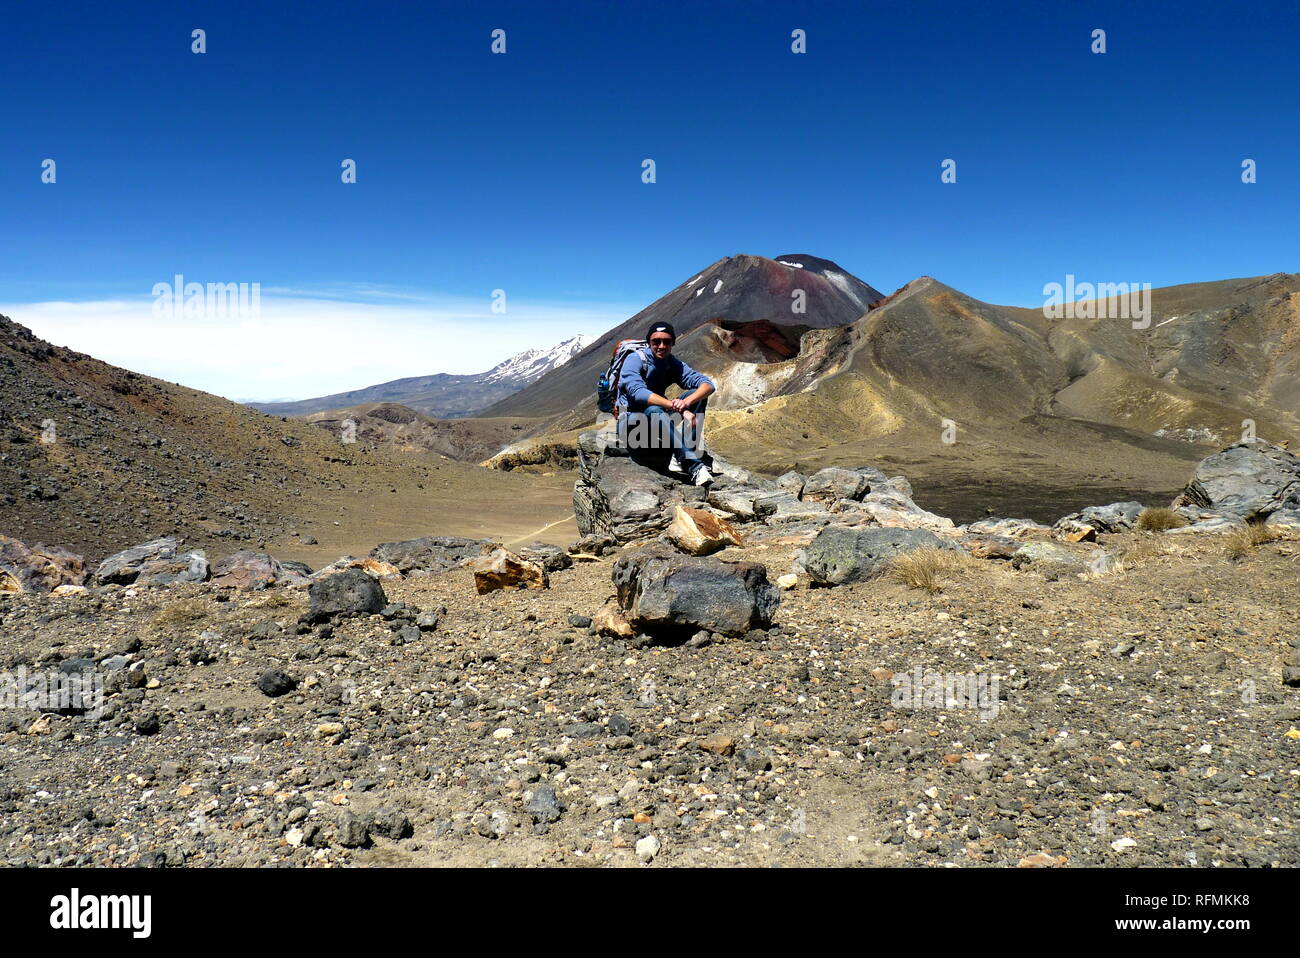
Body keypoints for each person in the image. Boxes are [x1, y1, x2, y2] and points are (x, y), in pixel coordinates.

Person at [617, 321, 716, 485]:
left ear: (673, 343)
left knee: (696, 395)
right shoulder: (634, 360)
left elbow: (707, 385)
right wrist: (677, 407)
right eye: (656, 341)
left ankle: (685, 452)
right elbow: (638, 393)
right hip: (631, 422)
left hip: (656, 419)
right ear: (649, 342)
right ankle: (692, 466)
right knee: (654, 409)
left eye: (666, 341)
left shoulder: (672, 363)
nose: (661, 346)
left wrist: (686, 402)